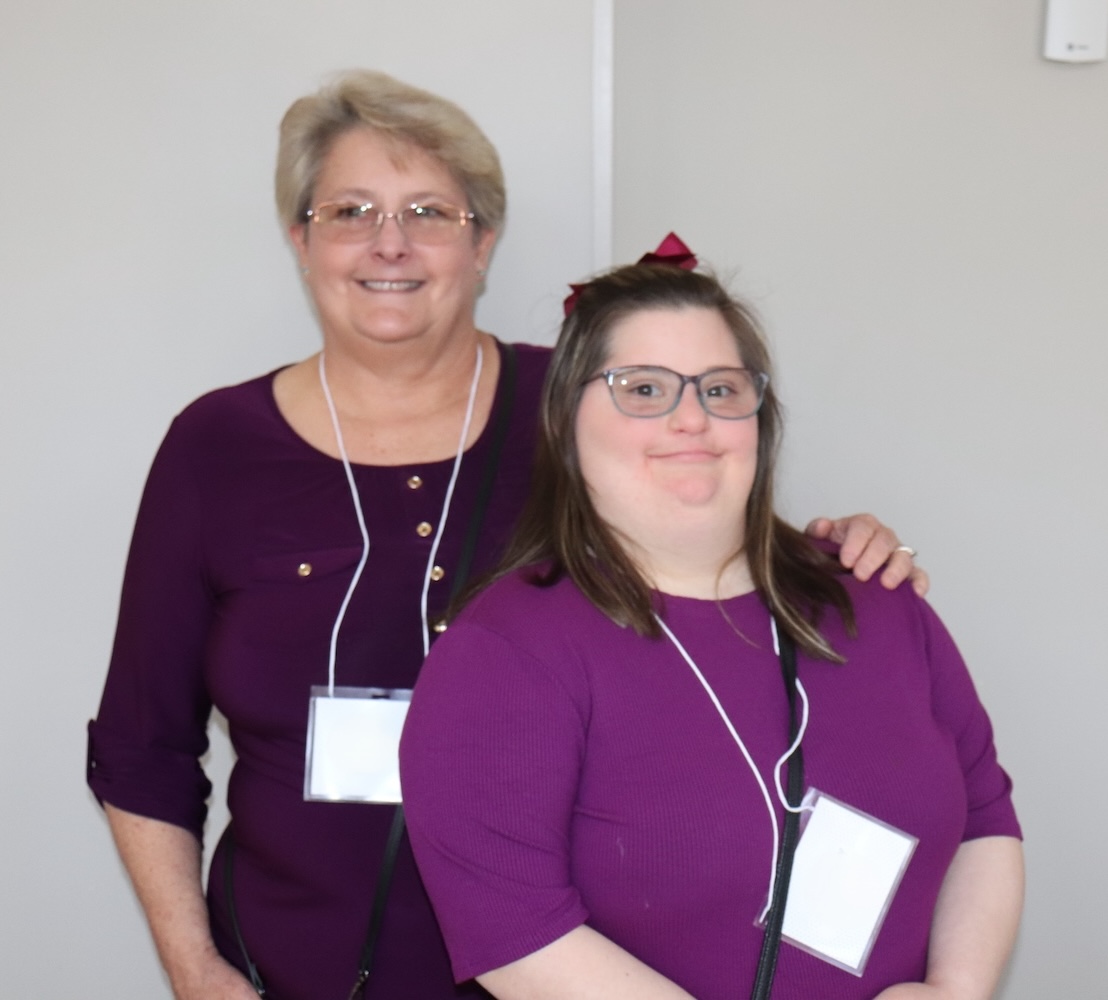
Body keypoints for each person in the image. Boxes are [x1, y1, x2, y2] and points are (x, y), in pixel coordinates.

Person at [86, 70, 925, 1000]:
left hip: (578, 963)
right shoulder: (216, 447)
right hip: (293, 963)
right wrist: (195, 968)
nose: (390, 243)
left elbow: (720, 550)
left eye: (432, 212)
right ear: (301, 236)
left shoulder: (580, 410)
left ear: (483, 243)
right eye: (350, 210)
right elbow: (142, 745)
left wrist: (838, 547)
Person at [400, 255, 1023, 1000]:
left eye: (721, 389)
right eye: (644, 390)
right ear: (566, 419)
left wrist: (956, 990)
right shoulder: (504, 650)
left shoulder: (875, 596)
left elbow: (985, 820)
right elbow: (516, 935)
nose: (690, 418)